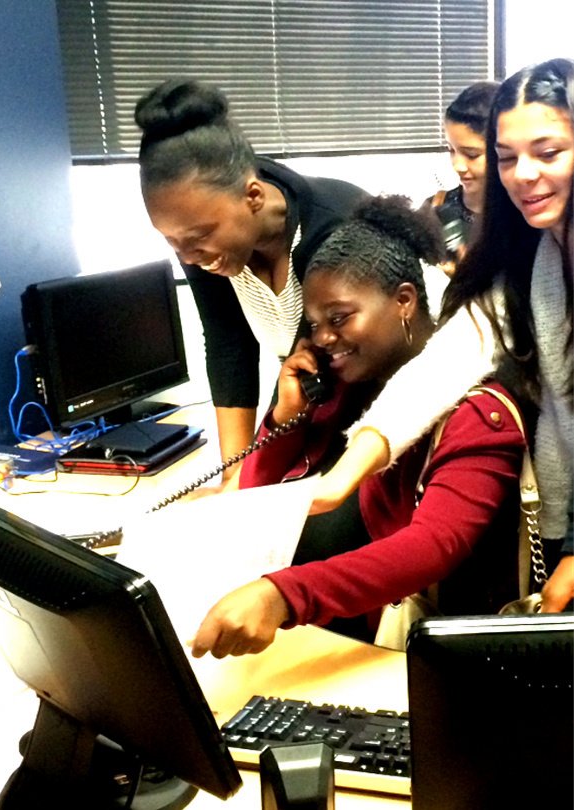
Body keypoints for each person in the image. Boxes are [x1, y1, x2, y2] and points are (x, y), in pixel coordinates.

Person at [189, 195, 526, 658]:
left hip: (399, 657)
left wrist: (284, 596)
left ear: (404, 300)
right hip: (314, 641)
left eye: (340, 318)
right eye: (315, 323)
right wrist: (285, 420)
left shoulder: (477, 412)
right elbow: (257, 499)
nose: (324, 338)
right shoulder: (344, 388)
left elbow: (433, 544)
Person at [308, 58, 573, 612]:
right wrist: (345, 473)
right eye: (506, 158)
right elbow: (443, 362)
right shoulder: (532, 258)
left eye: (547, 152)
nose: (523, 174)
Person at [134, 79, 367, 474]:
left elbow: (305, 370)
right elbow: (228, 348)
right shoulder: (204, 243)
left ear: (253, 196)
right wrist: (232, 475)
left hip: (369, 412)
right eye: (172, 243)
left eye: (199, 238)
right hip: (309, 403)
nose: (188, 258)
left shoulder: (333, 231)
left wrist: (250, 482)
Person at [423, 80, 501, 271]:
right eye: (451, 150)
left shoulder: (525, 216)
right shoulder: (435, 209)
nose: (457, 165)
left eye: (471, 155)